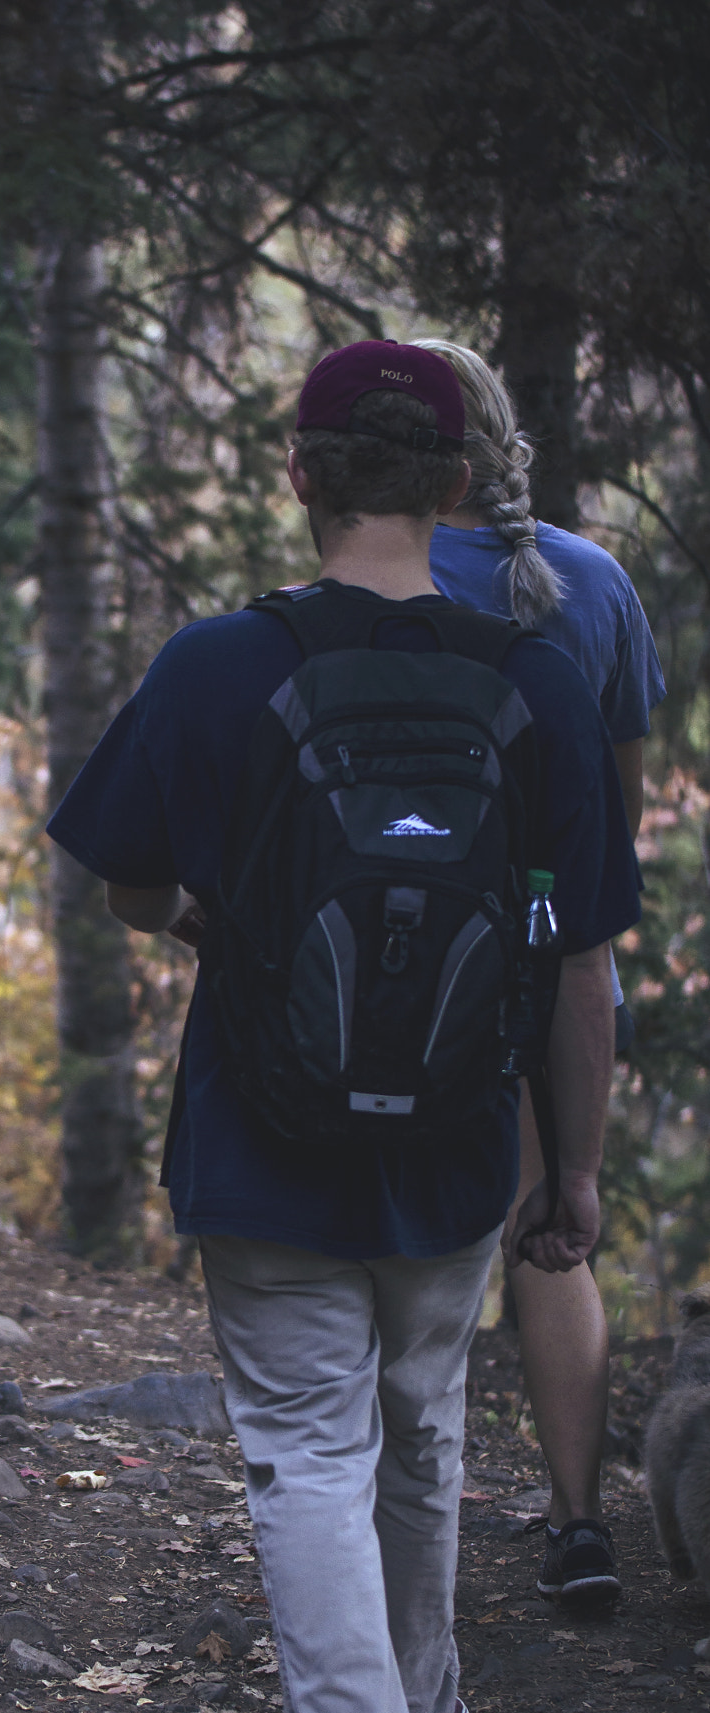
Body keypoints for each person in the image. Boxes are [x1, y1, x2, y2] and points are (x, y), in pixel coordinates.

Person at [48, 339, 640, 1713]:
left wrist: (225, 935)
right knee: (421, 1422)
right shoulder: (542, 679)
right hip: (457, 1143)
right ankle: (423, 1710)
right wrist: (567, 1170)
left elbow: (121, 878)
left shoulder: (217, 665)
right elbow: (578, 963)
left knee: (306, 1449)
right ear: (455, 488)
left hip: (266, 1128)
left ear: (299, 473)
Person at [416, 337, 665, 1608]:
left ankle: (401, 1531)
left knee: (413, 1247)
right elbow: (613, 827)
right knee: (553, 1240)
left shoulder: (382, 575)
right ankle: (578, 1524)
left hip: (418, 961)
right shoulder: (599, 583)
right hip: (565, 960)